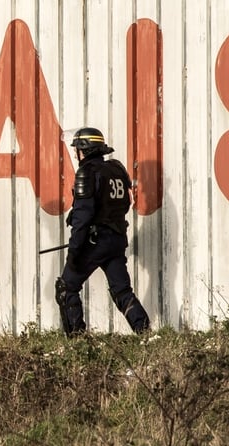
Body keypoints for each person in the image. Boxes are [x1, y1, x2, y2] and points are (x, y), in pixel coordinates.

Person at [55, 127, 150, 336]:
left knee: (66, 288)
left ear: (85, 150)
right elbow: (124, 205)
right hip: (116, 239)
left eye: (77, 149)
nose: (74, 153)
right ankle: (145, 333)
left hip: (93, 242)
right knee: (122, 291)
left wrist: (74, 251)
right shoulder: (116, 169)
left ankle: (77, 342)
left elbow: (83, 218)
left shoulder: (86, 173)